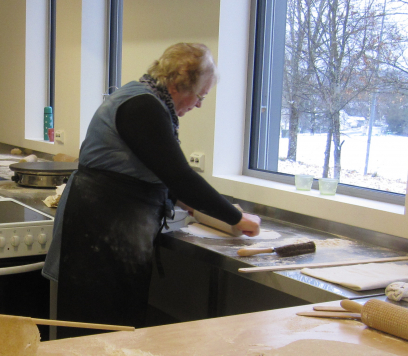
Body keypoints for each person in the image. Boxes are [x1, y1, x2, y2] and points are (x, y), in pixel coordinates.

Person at [42, 43, 261, 337]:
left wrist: (192, 206)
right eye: (200, 96)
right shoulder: (142, 107)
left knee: (114, 327)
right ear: (180, 85)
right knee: (96, 330)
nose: (198, 105)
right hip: (100, 233)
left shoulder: (144, 98)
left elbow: (156, 169)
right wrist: (235, 218)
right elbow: (179, 174)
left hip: (110, 228)